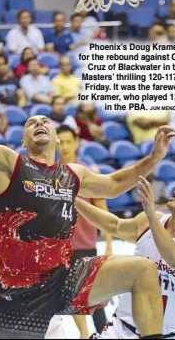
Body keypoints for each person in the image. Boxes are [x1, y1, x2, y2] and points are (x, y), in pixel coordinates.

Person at [0, 33, 175, 340]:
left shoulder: (73, 173)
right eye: (31, 123)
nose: (39, 123)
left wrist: (153, 157)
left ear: (57, 139)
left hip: (63, 277)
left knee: (143, 270)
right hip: (19, 289)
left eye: (46, 123)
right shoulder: (8, 163)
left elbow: (115, 184)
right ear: (24, 140)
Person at [75, 172, 175, 339]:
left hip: (169, 335)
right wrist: (73, 199)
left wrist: (152, 218)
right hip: (121, 331)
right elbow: (114, 225)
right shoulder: (149, 220)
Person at [57, 125, 112, 333]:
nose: (64, 147)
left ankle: (103, 335)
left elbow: (104, 213)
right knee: (68, 297)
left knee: (93, 297)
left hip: (84, 247)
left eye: (68, 141)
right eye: (60, 142)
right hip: (57, 249)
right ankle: (83, 334)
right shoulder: (48, 176)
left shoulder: (88, 175)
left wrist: (108, 245)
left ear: (77, 143)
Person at [0, 262, 89, 339]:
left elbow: (73, 299)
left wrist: (84, 332)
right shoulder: (0, 263)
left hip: (49, 332)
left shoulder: (55, 262)